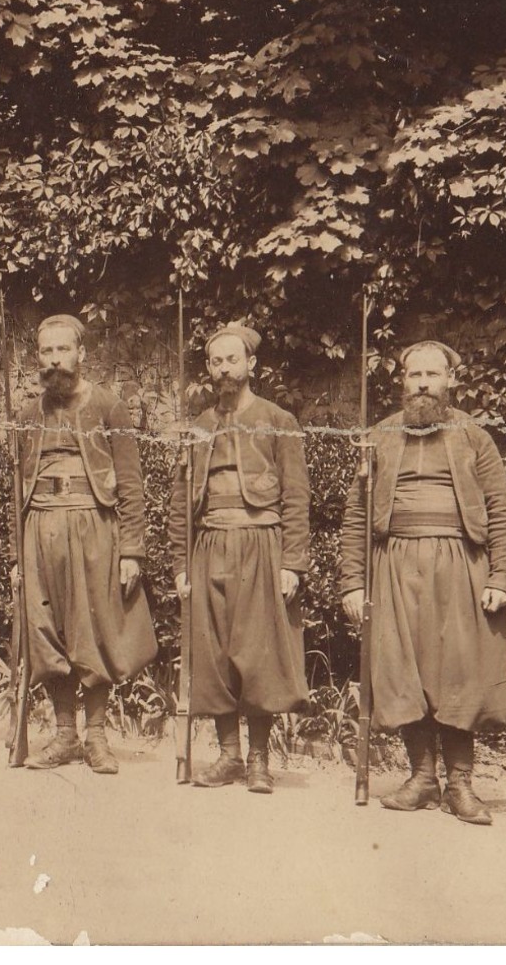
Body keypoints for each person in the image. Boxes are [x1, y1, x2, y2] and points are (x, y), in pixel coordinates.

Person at [339, 340, 506, 823]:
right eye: (414, 374)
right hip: (394, 565)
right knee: (403, 671)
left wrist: (502, 576)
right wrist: (353, 582)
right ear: (401, 380)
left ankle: (461, 784)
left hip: (460, 565)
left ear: (450, 381)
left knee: (458, 673)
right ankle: (422, 778)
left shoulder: (473, 437)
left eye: (432, 375)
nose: (422, 384)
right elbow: (356, 514)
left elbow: (502, 511)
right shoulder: (378, 436)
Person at [169, 324, 310, 794]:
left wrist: (293, 562)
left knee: (258, 653)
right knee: (213, 654)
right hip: (209, 544)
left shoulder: (278, 419)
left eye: (232, 360)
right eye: (215, 362)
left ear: (252, 365)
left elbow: (296, 496)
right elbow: (179, 504)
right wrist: (180, 565)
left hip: (260, 544)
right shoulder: (200, 427)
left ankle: (258, 760)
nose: (223, 369)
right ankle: (228, 755)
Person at [13, 314, 157, 774]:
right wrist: (18, 552)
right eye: (46, 352)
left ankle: (96, 737)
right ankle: (63, 735)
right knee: (46, 629)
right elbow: (15, 486)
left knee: (91, 630)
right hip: (40, 526)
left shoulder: (109, 407)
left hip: (94, 525)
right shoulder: (28, 415)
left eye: (63, 350)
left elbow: (131, 483)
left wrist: (132, 549)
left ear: (82, 354)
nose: (54, 360)